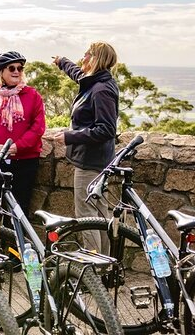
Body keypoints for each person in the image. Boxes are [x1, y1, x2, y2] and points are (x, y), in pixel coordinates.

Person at [52, 41, 119, 253]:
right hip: (98, 160)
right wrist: (62, 62)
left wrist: (69, 136)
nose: (83, 58)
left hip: (91, 163)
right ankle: (106, 265)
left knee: (87, 215)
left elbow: (106, 129)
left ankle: (94, 266)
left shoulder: (100, 90)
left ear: (95, 58)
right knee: (100, 215)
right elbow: (78, 74)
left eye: (86, 54)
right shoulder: (95, 81)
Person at [0, 51, 46, 218]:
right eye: (12, 68)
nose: (17, 71)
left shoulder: (33, 96)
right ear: (1, 72)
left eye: (20, 68)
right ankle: (1, 243)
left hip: (25, 161)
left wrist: (17, 147)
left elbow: (38, 127)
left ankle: (18, 243)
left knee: (21, 207)